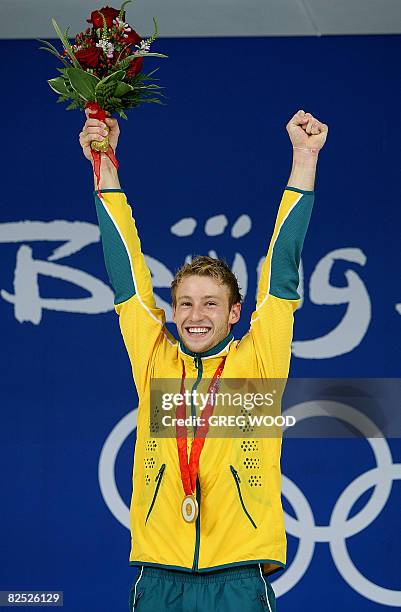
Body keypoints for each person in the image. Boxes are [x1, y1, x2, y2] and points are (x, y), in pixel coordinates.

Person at [79, 108, 328, 611]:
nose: (196, 315)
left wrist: (304, 159)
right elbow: (125, 271)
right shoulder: (156, 362)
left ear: (236, 312)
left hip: (238, 576)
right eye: (185, 303)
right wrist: (104, 164)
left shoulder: (259, 363)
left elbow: (282, 270)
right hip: (159, 576)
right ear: (172, 311)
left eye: (211, 303)